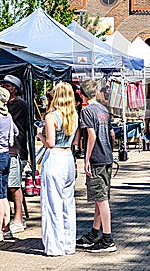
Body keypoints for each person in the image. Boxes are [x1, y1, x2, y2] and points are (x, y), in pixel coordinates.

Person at [36, 81, 79, 256]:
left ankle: (54, 246)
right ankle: (69, 244)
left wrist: (40, 135)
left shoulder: (51, 116)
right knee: (68, 203)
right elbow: (76, 142)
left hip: (54, 159)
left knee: (52, 204)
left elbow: (51, 144)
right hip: (68, 157)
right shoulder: (74, 115)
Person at [76, 79, 116, 253]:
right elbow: (111, 133)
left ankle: (107, 239)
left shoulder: (86, 111)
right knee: (100, 198)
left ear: (82, 94)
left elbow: (91, 136)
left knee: (102, 200)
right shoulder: (103, 110)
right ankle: (94, 232)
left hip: (97, 158)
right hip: (106, 157)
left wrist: (86, 159)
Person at [0, 75, 29, 234]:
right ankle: (6, 219)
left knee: (14, 185)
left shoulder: (18, 105)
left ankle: (18, 218)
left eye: (7, 85)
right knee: (4, 188)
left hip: (15, 151)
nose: (3, 87)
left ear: (14, 89)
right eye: (3, 84)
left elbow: (13, 126)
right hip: (7, 150)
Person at [0, 87, 19, 242]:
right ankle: (6, 229)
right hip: (6, 155)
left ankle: (0, 230)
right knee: (3, 194)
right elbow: (16, 132)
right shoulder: (8, 116)